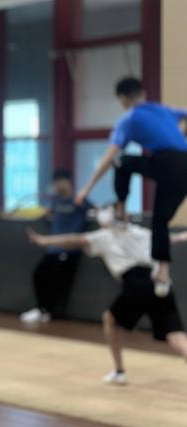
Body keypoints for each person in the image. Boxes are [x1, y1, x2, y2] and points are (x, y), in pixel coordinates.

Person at [27, 207, 187, 384]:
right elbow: (170, 239)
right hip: (160, 284)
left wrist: (45, 240)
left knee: (109, 319)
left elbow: (74, 240)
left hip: (136, 284)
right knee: (176, 336)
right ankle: (119, 372)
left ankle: (119, 372)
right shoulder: (140, 232)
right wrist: (181, 236)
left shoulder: (104, 236)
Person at [75, 77, 187, 297]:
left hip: (166, 162)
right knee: (160, 220)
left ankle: (121, 211)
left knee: (122, 161)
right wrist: (181, 136)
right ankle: (163, 273)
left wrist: (87, 188)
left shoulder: (129, 119)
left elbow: (109, 157)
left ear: (123, 99)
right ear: (143, 93)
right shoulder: (163, 110)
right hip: (184, 165)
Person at [21, 170, 92, 324]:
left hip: (70, 249)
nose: (59, 185)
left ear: (69, 182)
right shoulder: (55, 202)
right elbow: (48, 215)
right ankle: (41, 309)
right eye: (56, 182)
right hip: (52, 248)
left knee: (56, 281)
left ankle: (48, 311)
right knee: (38, 275)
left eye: (61, 181)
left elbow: (93, 212)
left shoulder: (79, 200)